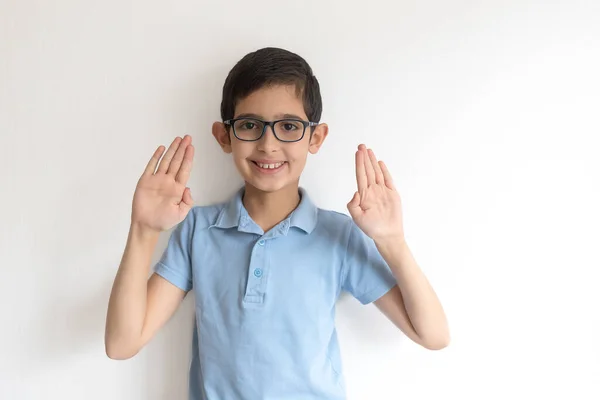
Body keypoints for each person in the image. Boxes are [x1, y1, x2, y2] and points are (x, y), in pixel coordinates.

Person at [105, 47, 450, 399]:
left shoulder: (339, 235)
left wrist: (392, 242)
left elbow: (433, 335)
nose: (268, 145)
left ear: (315, 137)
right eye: (250, 125)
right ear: (225, 136)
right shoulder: (198, 230)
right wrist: (143, 231)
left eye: (288, 126)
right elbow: (121, 344)